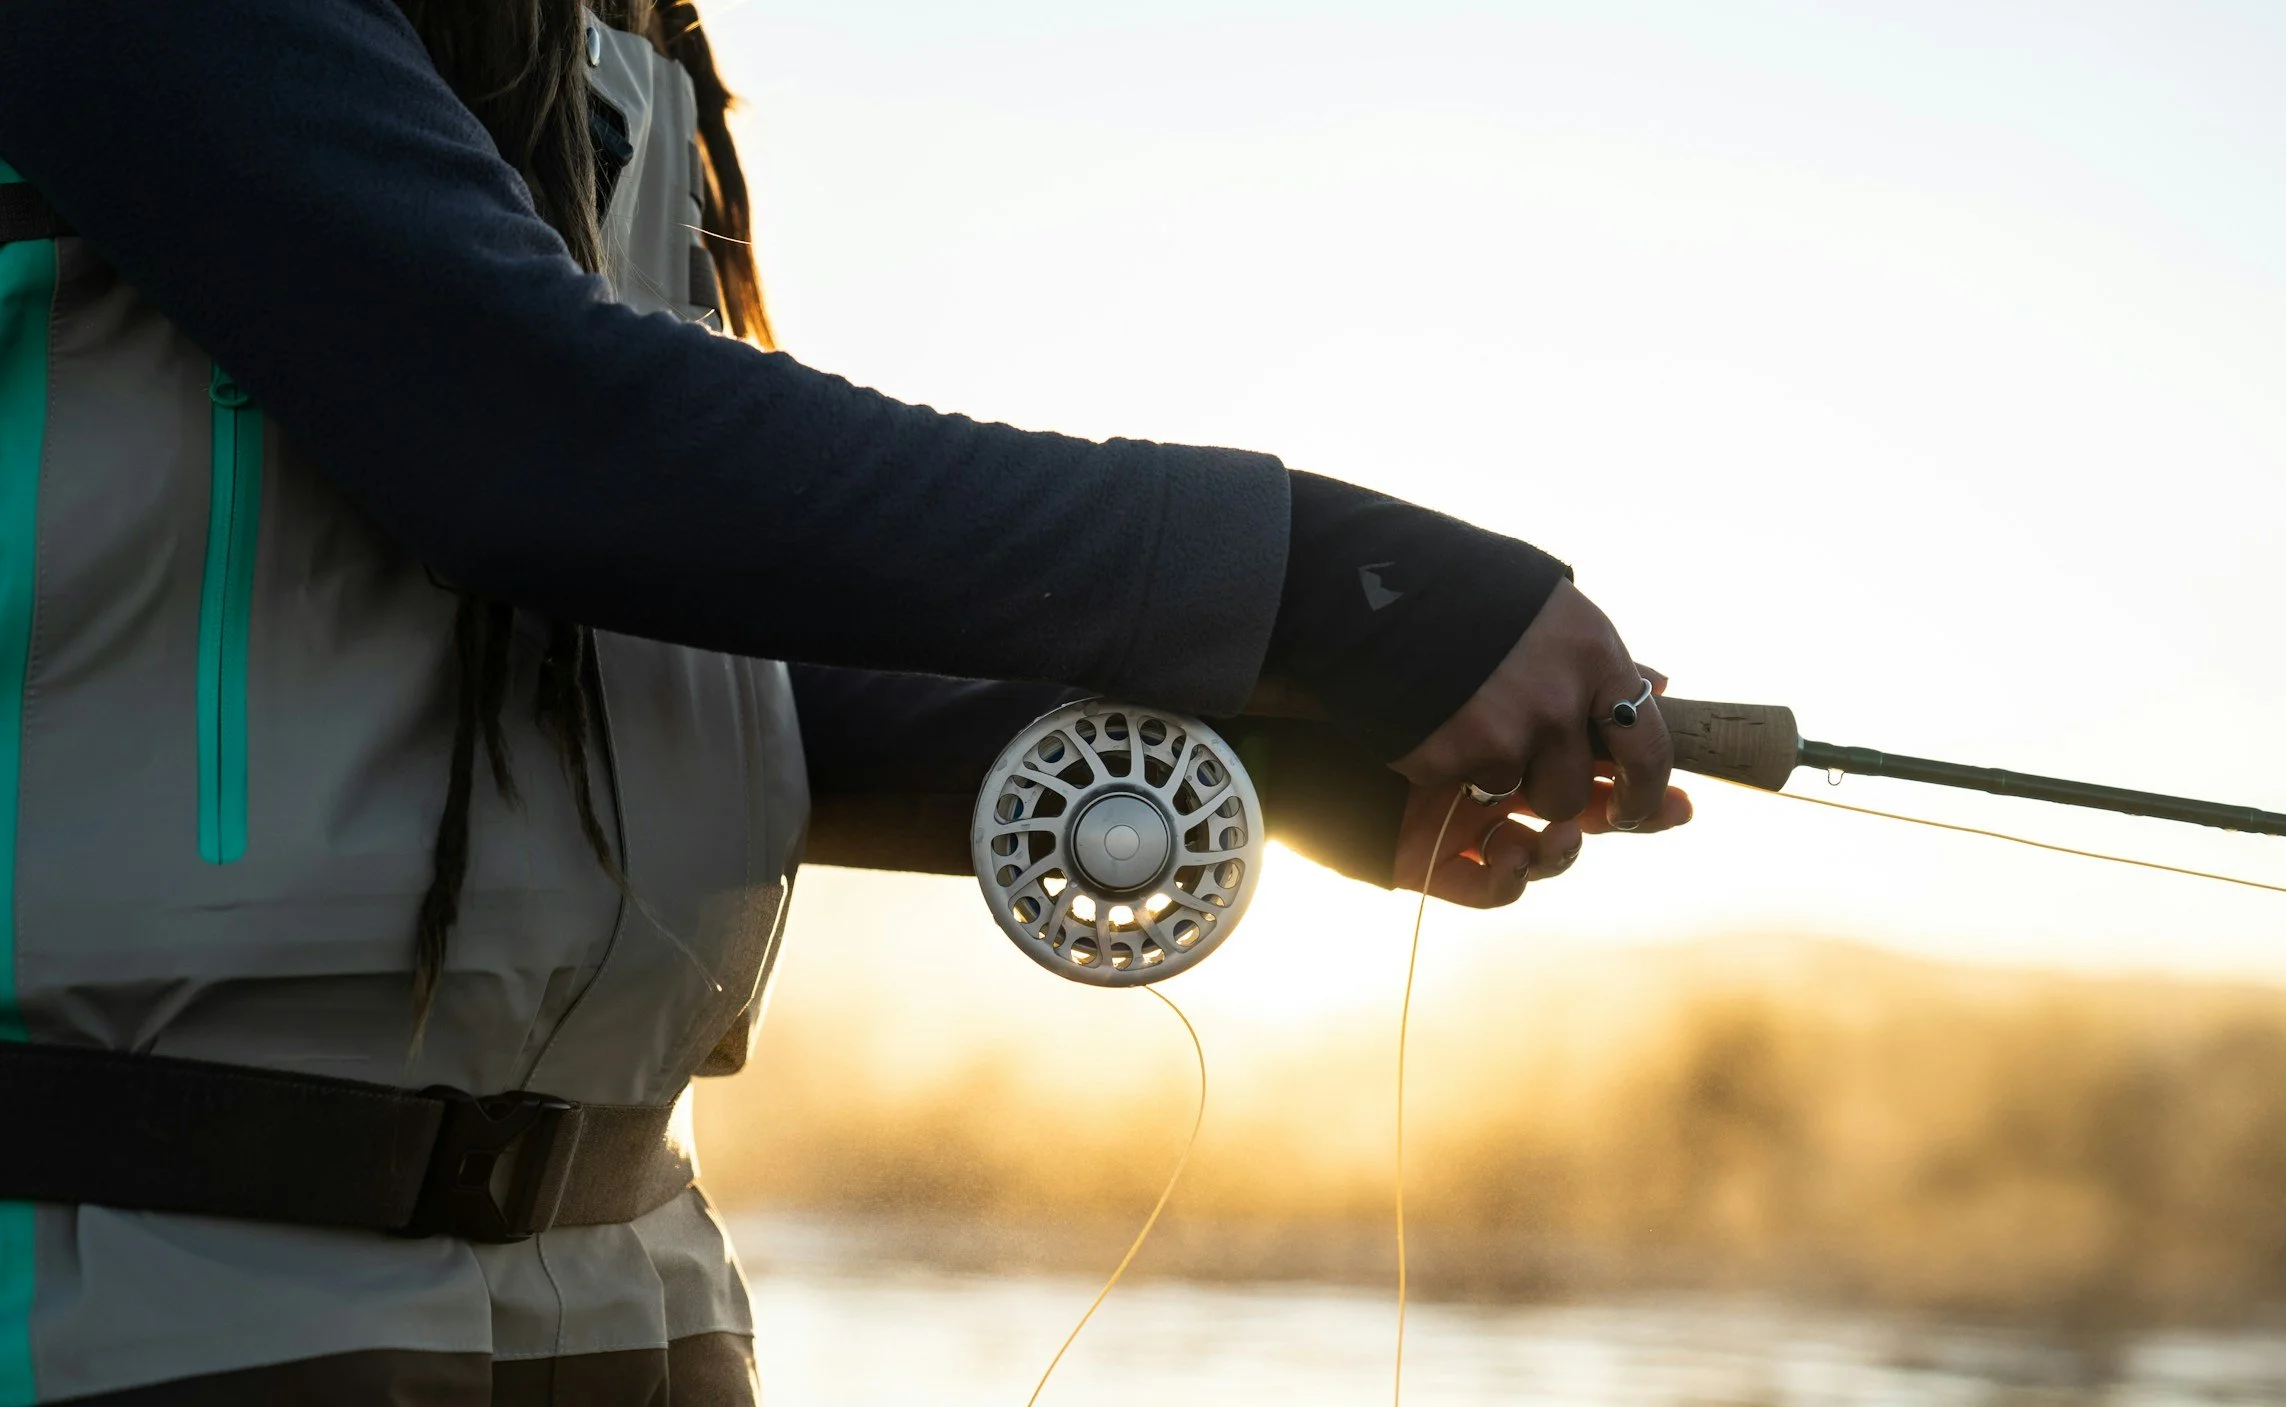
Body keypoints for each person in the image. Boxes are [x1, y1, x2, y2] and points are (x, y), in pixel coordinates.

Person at [0, 0, 1691, 1401]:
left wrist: (1239, 756)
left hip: (628, 1287)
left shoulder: (629, 32)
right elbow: (526, 439)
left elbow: (666, 651)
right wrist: (1326, 585)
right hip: (139, 1284)